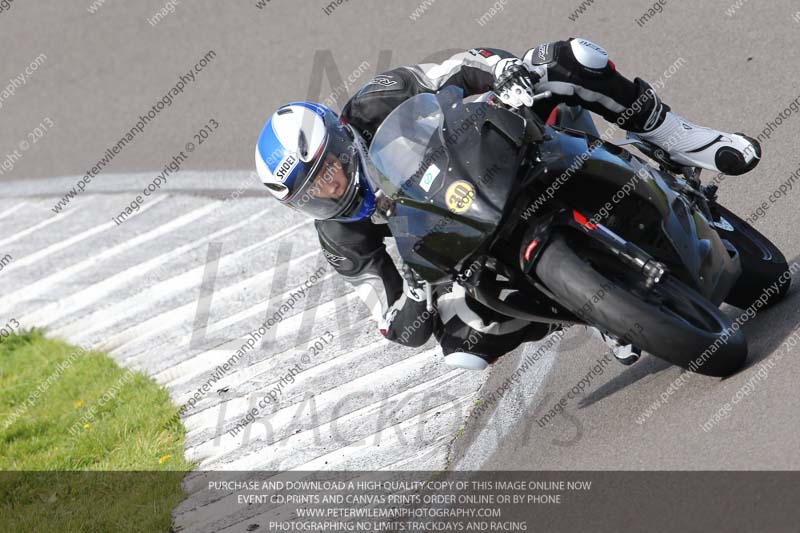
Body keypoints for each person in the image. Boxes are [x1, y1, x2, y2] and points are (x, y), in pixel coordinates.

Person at [254, 38, 761, 371]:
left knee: (570, 58)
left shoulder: (376, 99)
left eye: (330, 168)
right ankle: (601, 311)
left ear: (342, 138)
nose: (332, 188)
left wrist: (504, 71)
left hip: (497, 152)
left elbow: (461, 67)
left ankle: (677, 137)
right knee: (461, 347)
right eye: (314, 193)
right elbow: (395, 325)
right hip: (470, 240)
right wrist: (413, 293)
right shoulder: (343, 241)